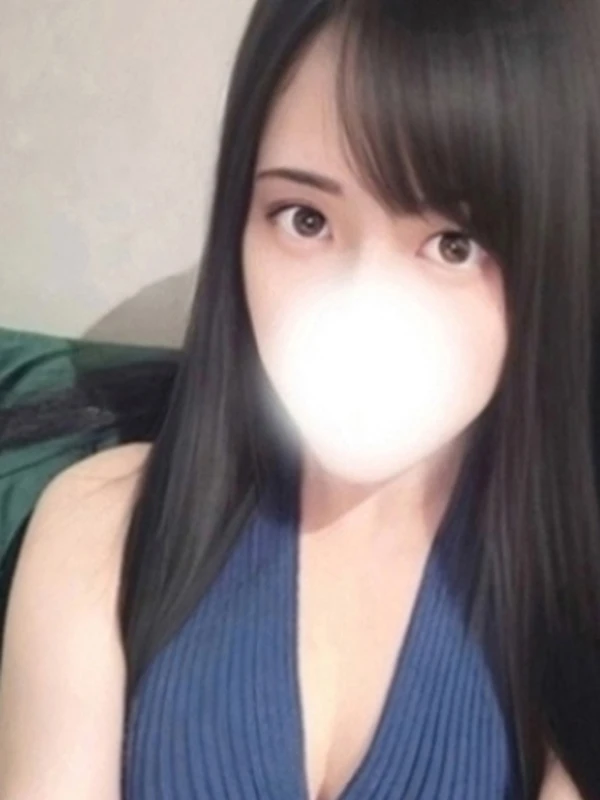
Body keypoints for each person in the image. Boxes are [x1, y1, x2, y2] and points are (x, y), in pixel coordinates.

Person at [1, 1, 599, 797]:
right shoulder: (102, 531)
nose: (363, 314)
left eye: (454, 244)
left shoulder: (572, 592)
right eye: (306, 219)